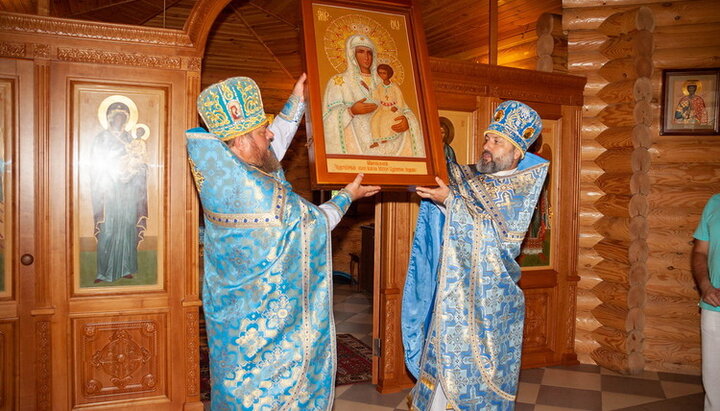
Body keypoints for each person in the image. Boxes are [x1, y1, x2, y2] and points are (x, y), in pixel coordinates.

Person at [186, 74, 380, 410]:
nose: (270, 133)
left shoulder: (224, 169)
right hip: (262, 330)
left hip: (232, 316)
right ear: (242, 141)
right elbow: (314, 224)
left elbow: (269, 153)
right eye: (262, 130)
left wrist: (298, 99)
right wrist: (348, 195)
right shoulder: (257, 195)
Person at [402, 100, 549, 410]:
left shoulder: (521, 190)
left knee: (475, 382)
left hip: (488, 305)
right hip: (454, 298)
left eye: (497, 142)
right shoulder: (473, 178)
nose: (487, 146)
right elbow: (444, 175)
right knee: (440, 373)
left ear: (517, 153)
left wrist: (451, 202)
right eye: (486, 138)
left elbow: (499, 240)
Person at [322, 34, 423, 157]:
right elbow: (327, 121)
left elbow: (404, 109)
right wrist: (351, 111)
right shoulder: (339, 81)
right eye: (361, 52)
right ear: (352, 54)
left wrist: (407, 122)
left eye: (369, 53)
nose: (366, 57)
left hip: (390, 145)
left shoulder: (385, 82)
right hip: (356, 151)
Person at [90, 99, 148, 283]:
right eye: (116, 117)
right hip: (108, 191)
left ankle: (126, 268)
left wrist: (137, 168)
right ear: (109, 118)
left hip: (129, 190)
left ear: (127, 119)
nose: (119, 120)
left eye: (123, 117)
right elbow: (94, 166)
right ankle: (104, 271)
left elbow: (143, 164)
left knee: (128, 226)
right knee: (109, 228)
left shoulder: (132, 140)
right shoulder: (101, 139)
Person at [692, 194, 720, 411]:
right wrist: (705, 285)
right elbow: (700, 251)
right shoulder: (714, 202)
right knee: (714, 380)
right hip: (713, 306)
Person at [368, 64, 423, 156]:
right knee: (375, 120)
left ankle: (385, 139)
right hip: (382, 108)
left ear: (389, 74)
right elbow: (375, 96)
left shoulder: (394, 87)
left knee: (386, 121)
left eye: (384, 73)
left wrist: (397, 107)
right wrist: (370, 90)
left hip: (392, 109)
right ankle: (376, 141)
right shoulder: (379, 86)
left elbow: (399, 99)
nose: (382, 75)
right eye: (380, 73)